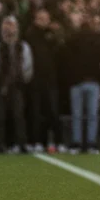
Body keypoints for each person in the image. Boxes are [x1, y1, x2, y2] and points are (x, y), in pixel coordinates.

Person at [64, 12, 100, 153]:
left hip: (77, 82)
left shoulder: (72, 38)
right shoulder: (98, 39)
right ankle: (91, 143)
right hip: (93, 81)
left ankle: (77, 142)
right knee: (92, 115)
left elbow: (66, 60)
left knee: (77, 115)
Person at [0, 16, 33, 153]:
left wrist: (21, 81)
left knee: (19, 116)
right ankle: (0, 144)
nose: (9, 29)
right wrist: (0, 81)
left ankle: (21, 143)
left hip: (17, 86)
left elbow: (28, 66)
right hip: (0, 86)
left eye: (11, 26)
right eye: (6, 26)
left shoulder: (23, 47)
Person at [24, 9, 63, 150]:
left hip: (50, 79)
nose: (43, 21)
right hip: (34, 79)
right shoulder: (30, 34)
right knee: (35, 112)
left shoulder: (52, 35)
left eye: (46, 18)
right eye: (40, 18)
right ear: (35, 19)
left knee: (52, 111)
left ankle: (57, 142)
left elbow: (60, 49)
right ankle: (37, 142)